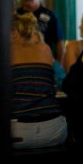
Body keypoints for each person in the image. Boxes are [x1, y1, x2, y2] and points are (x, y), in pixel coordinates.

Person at [11, 12, 67, 149]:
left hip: (19, 132)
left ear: (14, 33)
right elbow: (61, 80)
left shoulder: (4, 51)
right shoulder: (45, 48)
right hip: (54, 130)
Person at [17, 0, 65, 68]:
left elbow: (60, 45)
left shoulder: (50, 16)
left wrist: (59, 69)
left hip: (44, 65)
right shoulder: (16, 16)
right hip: (20, 64)